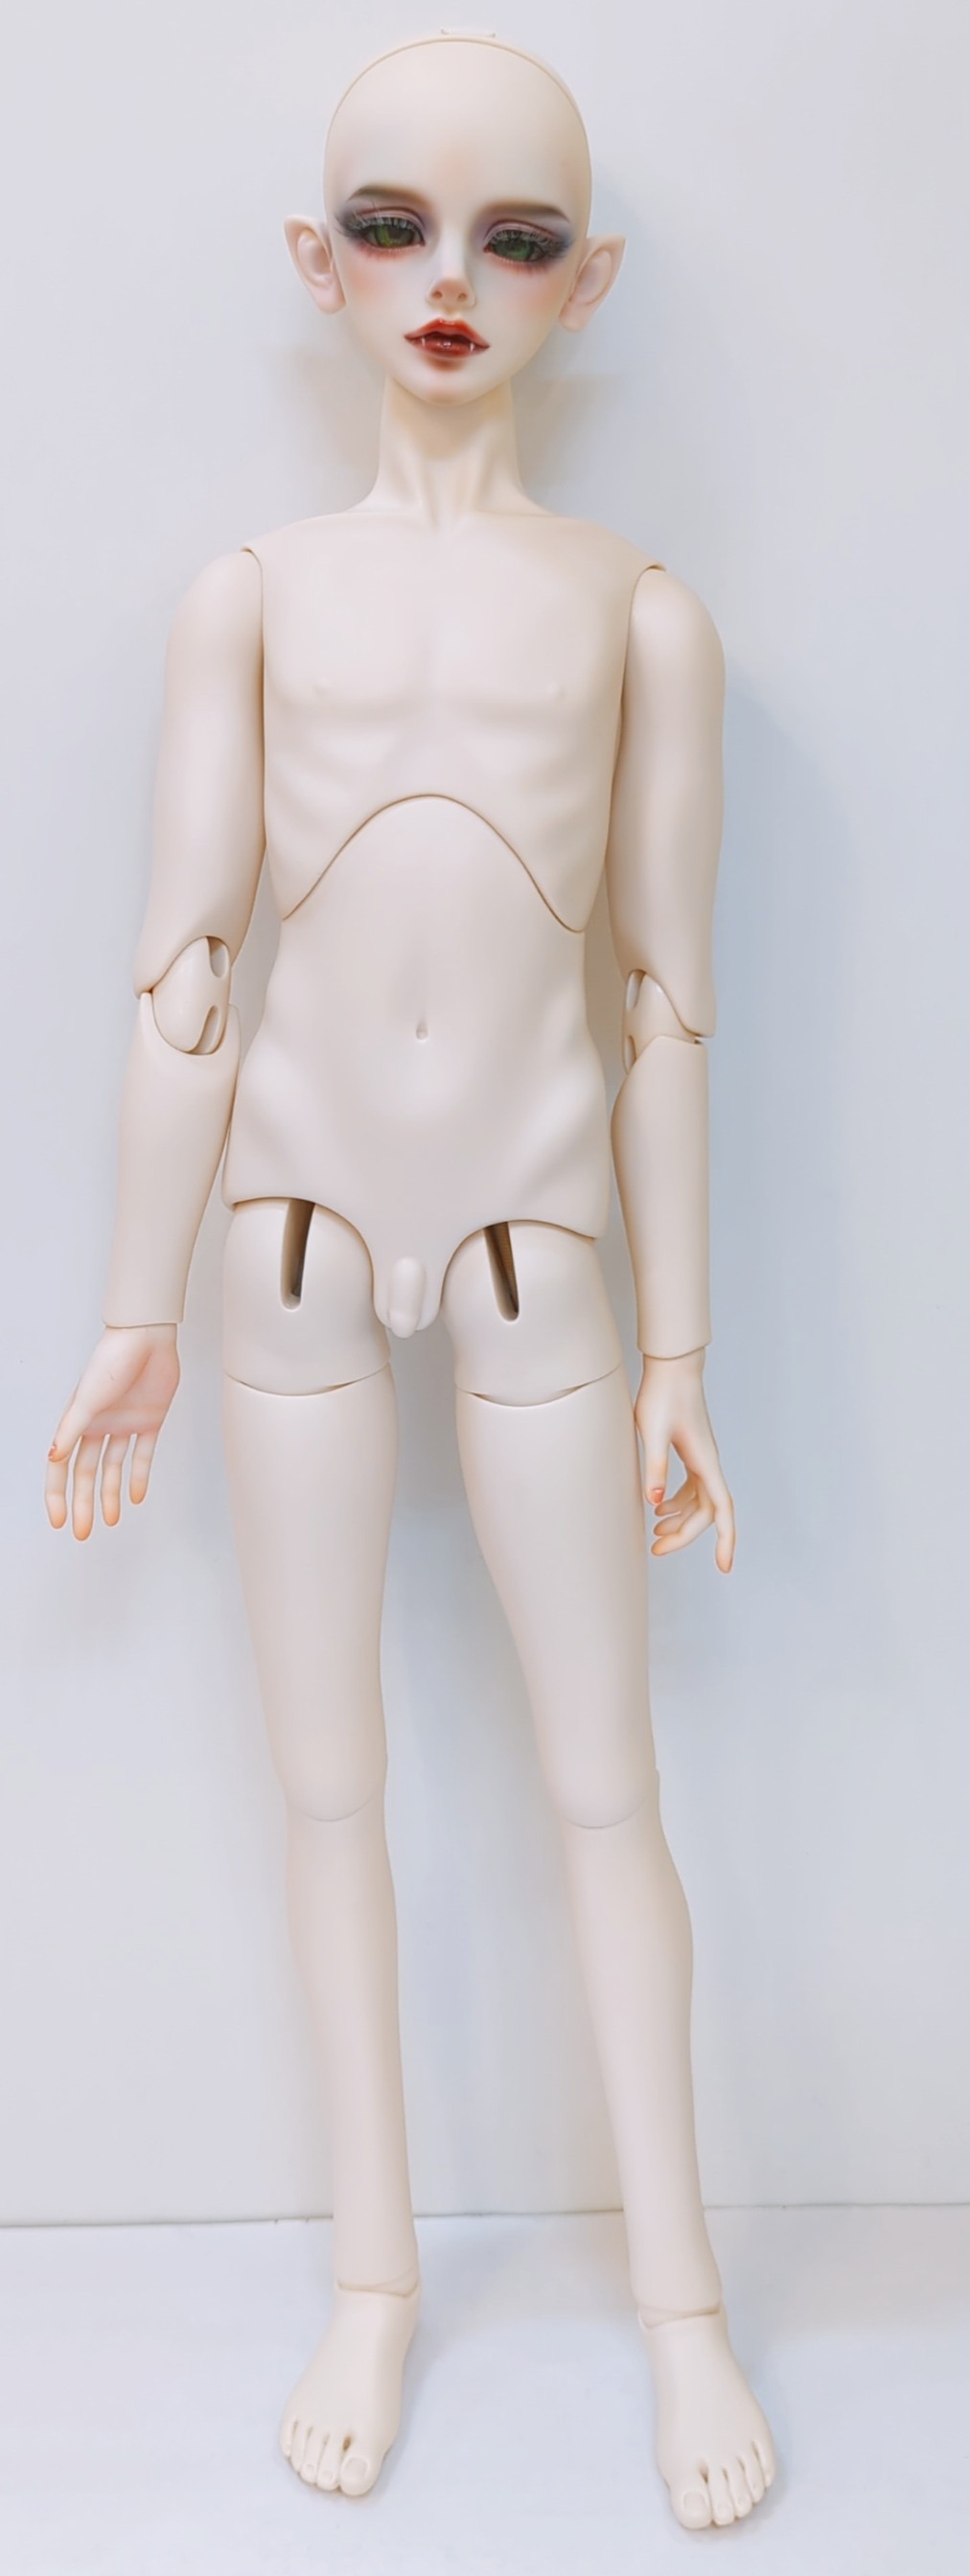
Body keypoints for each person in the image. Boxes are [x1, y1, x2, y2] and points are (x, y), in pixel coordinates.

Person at [45, 32, 776, 2530]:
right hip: (283, 1237)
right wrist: (132, 1310)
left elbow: (666, 1006)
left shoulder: (641, 620)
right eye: (393, 225)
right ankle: (374, 2275)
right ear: (315, 260)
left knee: (602, 1777)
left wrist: (684, 1349)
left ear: (588, 281)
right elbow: (183, 976)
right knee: (327, 1778)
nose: (449, 279)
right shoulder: (247, 601)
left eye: (513, 236)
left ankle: (679, 2302)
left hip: (541, 1242)